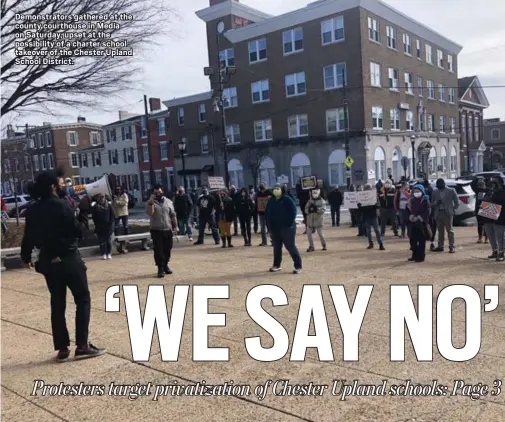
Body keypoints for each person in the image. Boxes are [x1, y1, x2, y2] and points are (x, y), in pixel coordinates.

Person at [20, 169, 105, 361]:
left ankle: (62, 349)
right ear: (53, 187)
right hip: (69, 259)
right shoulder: (61, 205)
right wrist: (83, 212)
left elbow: (28, 237)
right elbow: (79, 232)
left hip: (49, 262)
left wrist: (25, 257)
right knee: (82, 299)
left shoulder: (33, 209)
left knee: (57, 304)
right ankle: (82, 346)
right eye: (61, 183)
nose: (64, 185)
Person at [266, 184, 302, 274]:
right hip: (275, 228)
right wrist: (269, 227)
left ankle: (298, 266)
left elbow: (293, 212)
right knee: (277, 247)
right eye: (274, 189)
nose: (276, 190)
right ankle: (276, 265)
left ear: (282, 190)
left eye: (277, 189)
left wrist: (288, 223)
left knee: (290, 246)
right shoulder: (271, 201)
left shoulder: (287, 199)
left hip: (287, 228)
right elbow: (268, 214)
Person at [146, 184, 178, 278]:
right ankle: (160, 268)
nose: (158, 193)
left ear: (162, 191)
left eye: (159, 192)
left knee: (168, 248)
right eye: (156, 192)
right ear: (153, 193)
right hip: (156, 230)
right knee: (158, 250)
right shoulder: (150, 202)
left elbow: (173, 215)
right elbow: (150, 213)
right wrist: (151, 203)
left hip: (167, 229)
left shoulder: (168, 202)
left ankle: (166, 265)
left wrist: (175, 226)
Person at [431, 178, 459, 253]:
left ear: (444, 184)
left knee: (450, 230)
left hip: (448, 213)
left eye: (440, 185)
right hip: (438, 213)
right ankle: (440, 246)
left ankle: (451, 247)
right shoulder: (435, 192)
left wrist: (453, 210)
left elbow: (457, 202)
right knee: (440, 231)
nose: (439, 187)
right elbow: (432, 204)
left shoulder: (451, 190)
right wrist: (436, 203)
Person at [407, 184, 431, 262]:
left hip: (421, 223)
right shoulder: (412, 200)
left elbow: (428, 211)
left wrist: (419, 217)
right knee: (413, 240)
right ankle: (414, 255)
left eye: (418, 191)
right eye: (415, 191)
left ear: (422, 191)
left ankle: (420, 257)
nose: (416, 193)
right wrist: (411, 216)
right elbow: (408, 210)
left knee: (421, 241)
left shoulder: (425, 200)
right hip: (413, 222)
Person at [358, 184, 384, 250]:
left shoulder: (374, 196)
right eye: (366, 188)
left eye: (369, 188)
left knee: (377, 230)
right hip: (366, 216)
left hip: (373, 215)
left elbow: (378, 205)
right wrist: (359, 205)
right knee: (368, 231)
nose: (368, 189)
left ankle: (380, 244)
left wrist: (375, 204)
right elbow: (360, 209)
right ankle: (370, 243)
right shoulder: (361, 196)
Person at [91, 194, 115, 260]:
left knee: (108, 241)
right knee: (102, 241)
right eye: (100, 198)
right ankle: (103, 253)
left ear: (105, 198)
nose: (102, 199)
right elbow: (94, 217)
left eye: (103, 197)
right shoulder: (95, 206)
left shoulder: (109, 205)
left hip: (108, 226)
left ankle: (109, 253)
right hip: (100, 227)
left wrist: (110, 223)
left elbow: (112, 215)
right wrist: (96, 224)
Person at [486, 177, 505, 261]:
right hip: (498, 219)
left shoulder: (499, 193)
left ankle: (501, 253)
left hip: (500, 218)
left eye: (495, 184)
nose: (493, 185)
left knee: (501, 237)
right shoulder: (492, 193)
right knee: (499, 237)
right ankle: (500, 253)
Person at [471, 177, 489, 243]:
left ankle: (486, 238)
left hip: (486, 207)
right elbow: (472, 184)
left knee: (486, 224)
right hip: (478, 207)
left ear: (484, 183)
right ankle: (480, 238)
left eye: (482, 182)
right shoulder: (477, 190)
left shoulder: (488, 190)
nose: (481, 184)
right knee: (480, 224)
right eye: (479, 183)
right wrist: (477, 178)